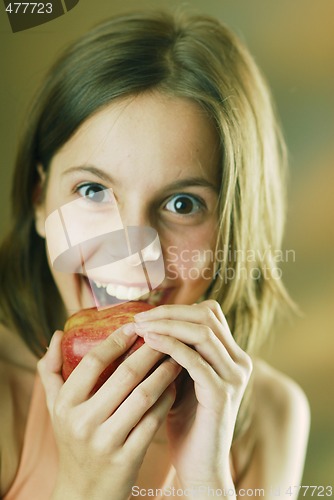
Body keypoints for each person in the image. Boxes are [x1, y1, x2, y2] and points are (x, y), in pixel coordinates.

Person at [0, 10, 310, 500]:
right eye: (93, 190)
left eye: (181, 204)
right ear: (39, 201)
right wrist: (87, 486)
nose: (134, 252)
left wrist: (207, 481)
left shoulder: (270, 414)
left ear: (234, 229)